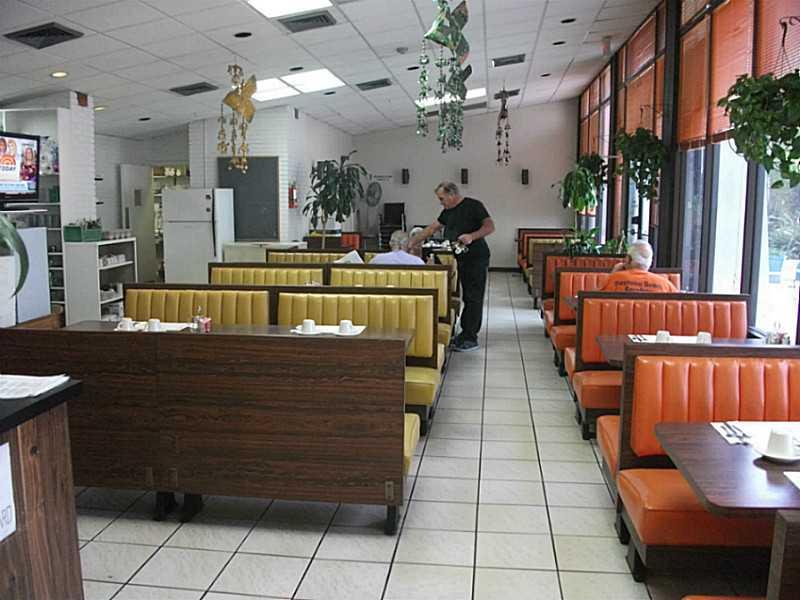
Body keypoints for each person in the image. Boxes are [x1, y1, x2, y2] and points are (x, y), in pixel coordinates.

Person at [411, 182, 495, 352]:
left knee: (474, 297)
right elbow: (432, 228)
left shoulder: (474, 205)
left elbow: (489, 227)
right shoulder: (448, 211)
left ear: (452, 194)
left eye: (442, 198)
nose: (441, 202)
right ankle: (465, 333)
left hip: (476, 257)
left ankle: (471, 338)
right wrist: (412, 242)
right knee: (467, 297)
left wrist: (471, 236)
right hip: (462, 258)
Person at [601, 240, 678, 293]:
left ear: (628, 259)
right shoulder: (665, 285)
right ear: (650, 263)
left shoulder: (613, 280)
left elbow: (597, 301)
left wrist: (613, 275)